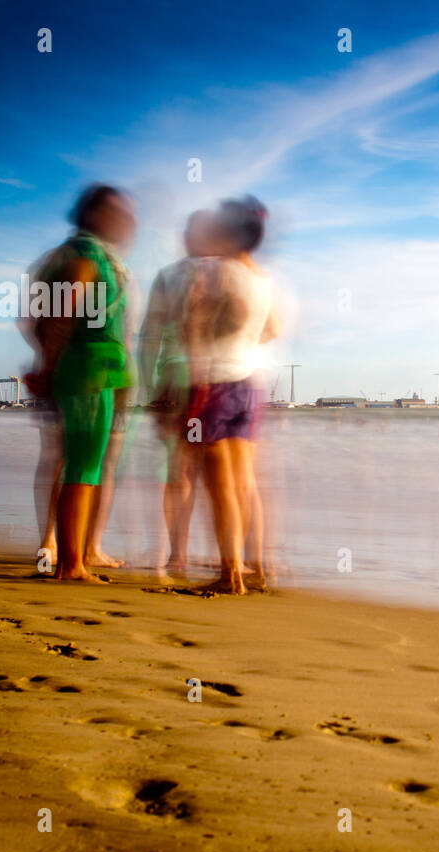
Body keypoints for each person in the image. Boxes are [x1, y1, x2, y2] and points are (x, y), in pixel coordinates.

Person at [34, 184, 137, 582]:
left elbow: (47, 316)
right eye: (117, 212)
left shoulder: (82, 254)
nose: (126, 221)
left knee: (84, 464)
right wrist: (49, 367)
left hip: (95, 368)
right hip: (89, 367)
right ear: (94, 215)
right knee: (82, 466)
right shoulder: (86, 256)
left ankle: (76, 556)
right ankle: (71, 564)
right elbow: (62, 314)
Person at [183, 196, 280, 594]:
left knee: (219, 486)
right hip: (248, 385)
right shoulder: (261, 276)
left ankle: (230, 575)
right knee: (243, 482)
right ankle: (254, 567)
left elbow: (195, 324)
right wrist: (241, 341)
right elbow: (271, 329)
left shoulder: (217, 272)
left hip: (215, 382)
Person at [139, 210, 215, 576]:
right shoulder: (228, 274)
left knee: (179, 472)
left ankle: (178, 554)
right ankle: (225, 554)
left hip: (175, 377)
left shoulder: (169, 277)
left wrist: (149, 386)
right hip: (219, 379)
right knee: (221, 471)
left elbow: (149, 336)